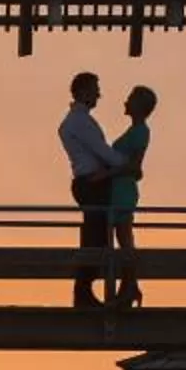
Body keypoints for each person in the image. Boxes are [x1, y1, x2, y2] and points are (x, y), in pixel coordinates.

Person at [58, 72, 116, 310]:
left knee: (96, 236)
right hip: (91, 183)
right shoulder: (79, 121)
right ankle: (83, 292)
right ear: (82, 91)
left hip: (89, 182)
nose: (98, 94)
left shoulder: (76, 121)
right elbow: (102, 150)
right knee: (95, 238)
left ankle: (84, 291)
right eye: (94, 89)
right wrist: (126, 164)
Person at [104, 84, 156, 309]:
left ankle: (129, 287)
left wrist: (106, 173)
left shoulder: (141, 131)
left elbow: (135, 166)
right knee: (121, 239)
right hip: (118, 189)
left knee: (124, 239)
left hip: (123, 190)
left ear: (140, 106)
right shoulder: (134, 130)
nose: (125, 101)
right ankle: (128, 287)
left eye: (130, 98)